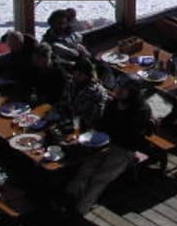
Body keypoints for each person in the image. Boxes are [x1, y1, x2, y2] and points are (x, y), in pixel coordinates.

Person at [64, 79, 152, 216]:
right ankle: (68, 198)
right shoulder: (113, 103)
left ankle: (79, 210)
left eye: (123, 89)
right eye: (119, 87)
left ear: (132, 92)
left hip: (125, 148)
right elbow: (103, 123)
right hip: (106, 143)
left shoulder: (141, 110)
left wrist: (110, 133)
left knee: (100, 178)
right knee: (86, 168)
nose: (119, 90)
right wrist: (87, 135)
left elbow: (131, 134)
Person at [64, 58, 108, 131]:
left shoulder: (97, 92)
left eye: (79, 74)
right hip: (69, 121)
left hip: (85, 129)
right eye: (75, 73)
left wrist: (73, 124)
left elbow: (92, 119)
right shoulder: (72, 84)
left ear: (87, 76)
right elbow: (64, 102)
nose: (75, 76)